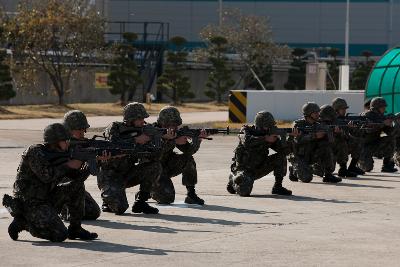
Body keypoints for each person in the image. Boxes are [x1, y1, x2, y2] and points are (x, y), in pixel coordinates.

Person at [4, 123, 97, 242]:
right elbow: (47, 177)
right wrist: (70, 164)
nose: (69, 143)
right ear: (55, 141)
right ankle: (23, 222)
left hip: (47, 197)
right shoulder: (35, 152)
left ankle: (75, 229)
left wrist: (90, 162)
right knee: (60, 234)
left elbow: (77, 177)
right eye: (66, 140)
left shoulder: (63, 154)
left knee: (76, 185)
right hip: (30, 203)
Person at [97, 102, 161, 215]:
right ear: (131, 119)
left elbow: (155, 155)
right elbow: (113, 145)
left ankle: (141, 202)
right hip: (109, 177)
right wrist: (135, 140)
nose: (143, 121)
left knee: (155, 166)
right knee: (120, 208)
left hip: (127, 174)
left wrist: (159, 140)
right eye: (140, 118)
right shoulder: (115, 127)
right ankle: (107, 200)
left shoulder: (144, 131)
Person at [227, 111, 293, 197]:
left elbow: (285, 152)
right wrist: (265, 139)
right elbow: (247, 141)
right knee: (244, 192)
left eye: (270, 126)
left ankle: (278, 186)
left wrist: (289, 138)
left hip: (259, 168)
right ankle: (233, 180)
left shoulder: (269, 135)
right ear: (259, 125)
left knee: (280, 157)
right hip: (243, 169)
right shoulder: (246, 130)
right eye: (267, 126)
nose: (269, 128)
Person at [151, 106, 207, 205]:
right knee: (167, 198)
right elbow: (154, 153)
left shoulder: (174, 133)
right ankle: (147, 191)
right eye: (170, 124)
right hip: (152, 171)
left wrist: (197, 140)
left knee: (188, 159)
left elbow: (189, 152)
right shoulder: (151, 132)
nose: (174, 127)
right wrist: (173, 141)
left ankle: (191, 194)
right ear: (162, 123)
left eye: (176, 125)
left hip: (166, 167)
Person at [61, 110, 102, 221]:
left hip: (74, 187)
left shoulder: (82, 145)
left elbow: (79, 177)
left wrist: (95, 159)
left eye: (84, 128)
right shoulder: (60, 146)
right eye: (79, 129)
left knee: (93, 212)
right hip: (57, 187)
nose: (83, 132)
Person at [288, 102, 341, 183]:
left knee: (326, 146)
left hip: (312, 155)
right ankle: (294, 170)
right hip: (299, 156)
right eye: (315, 112)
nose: (318, 114)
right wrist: (314, 136)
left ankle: (328, 175)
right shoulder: (297, 124)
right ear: (309, 114)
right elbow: (294, 141)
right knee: (307, 178)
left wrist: (334, 134)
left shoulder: (319, 125)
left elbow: (331, 142)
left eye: (318, 112)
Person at [359, 97, 397, 172]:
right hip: (363, 147)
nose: (384, 109)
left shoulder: (381, 117)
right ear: (376, 107)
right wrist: (382, 123)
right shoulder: (366, 116)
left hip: (374, 144)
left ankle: (387, 165)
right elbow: (368, 130)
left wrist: (393, 125)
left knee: (391, 139)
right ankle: (359, 161)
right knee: (367, 168)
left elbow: (390, 133)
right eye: (382, 107)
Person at [331, 98, 365, 175]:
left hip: (341, 145)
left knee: (358, 141)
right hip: (331, 147)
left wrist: (353, 128)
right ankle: (343, 169)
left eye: (345, 109)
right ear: (336, 109)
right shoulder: (331, 120)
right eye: (342, 109)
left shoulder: (344, 119)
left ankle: (352, 167)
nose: (344, 111)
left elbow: (352, 135)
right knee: (342, 142)